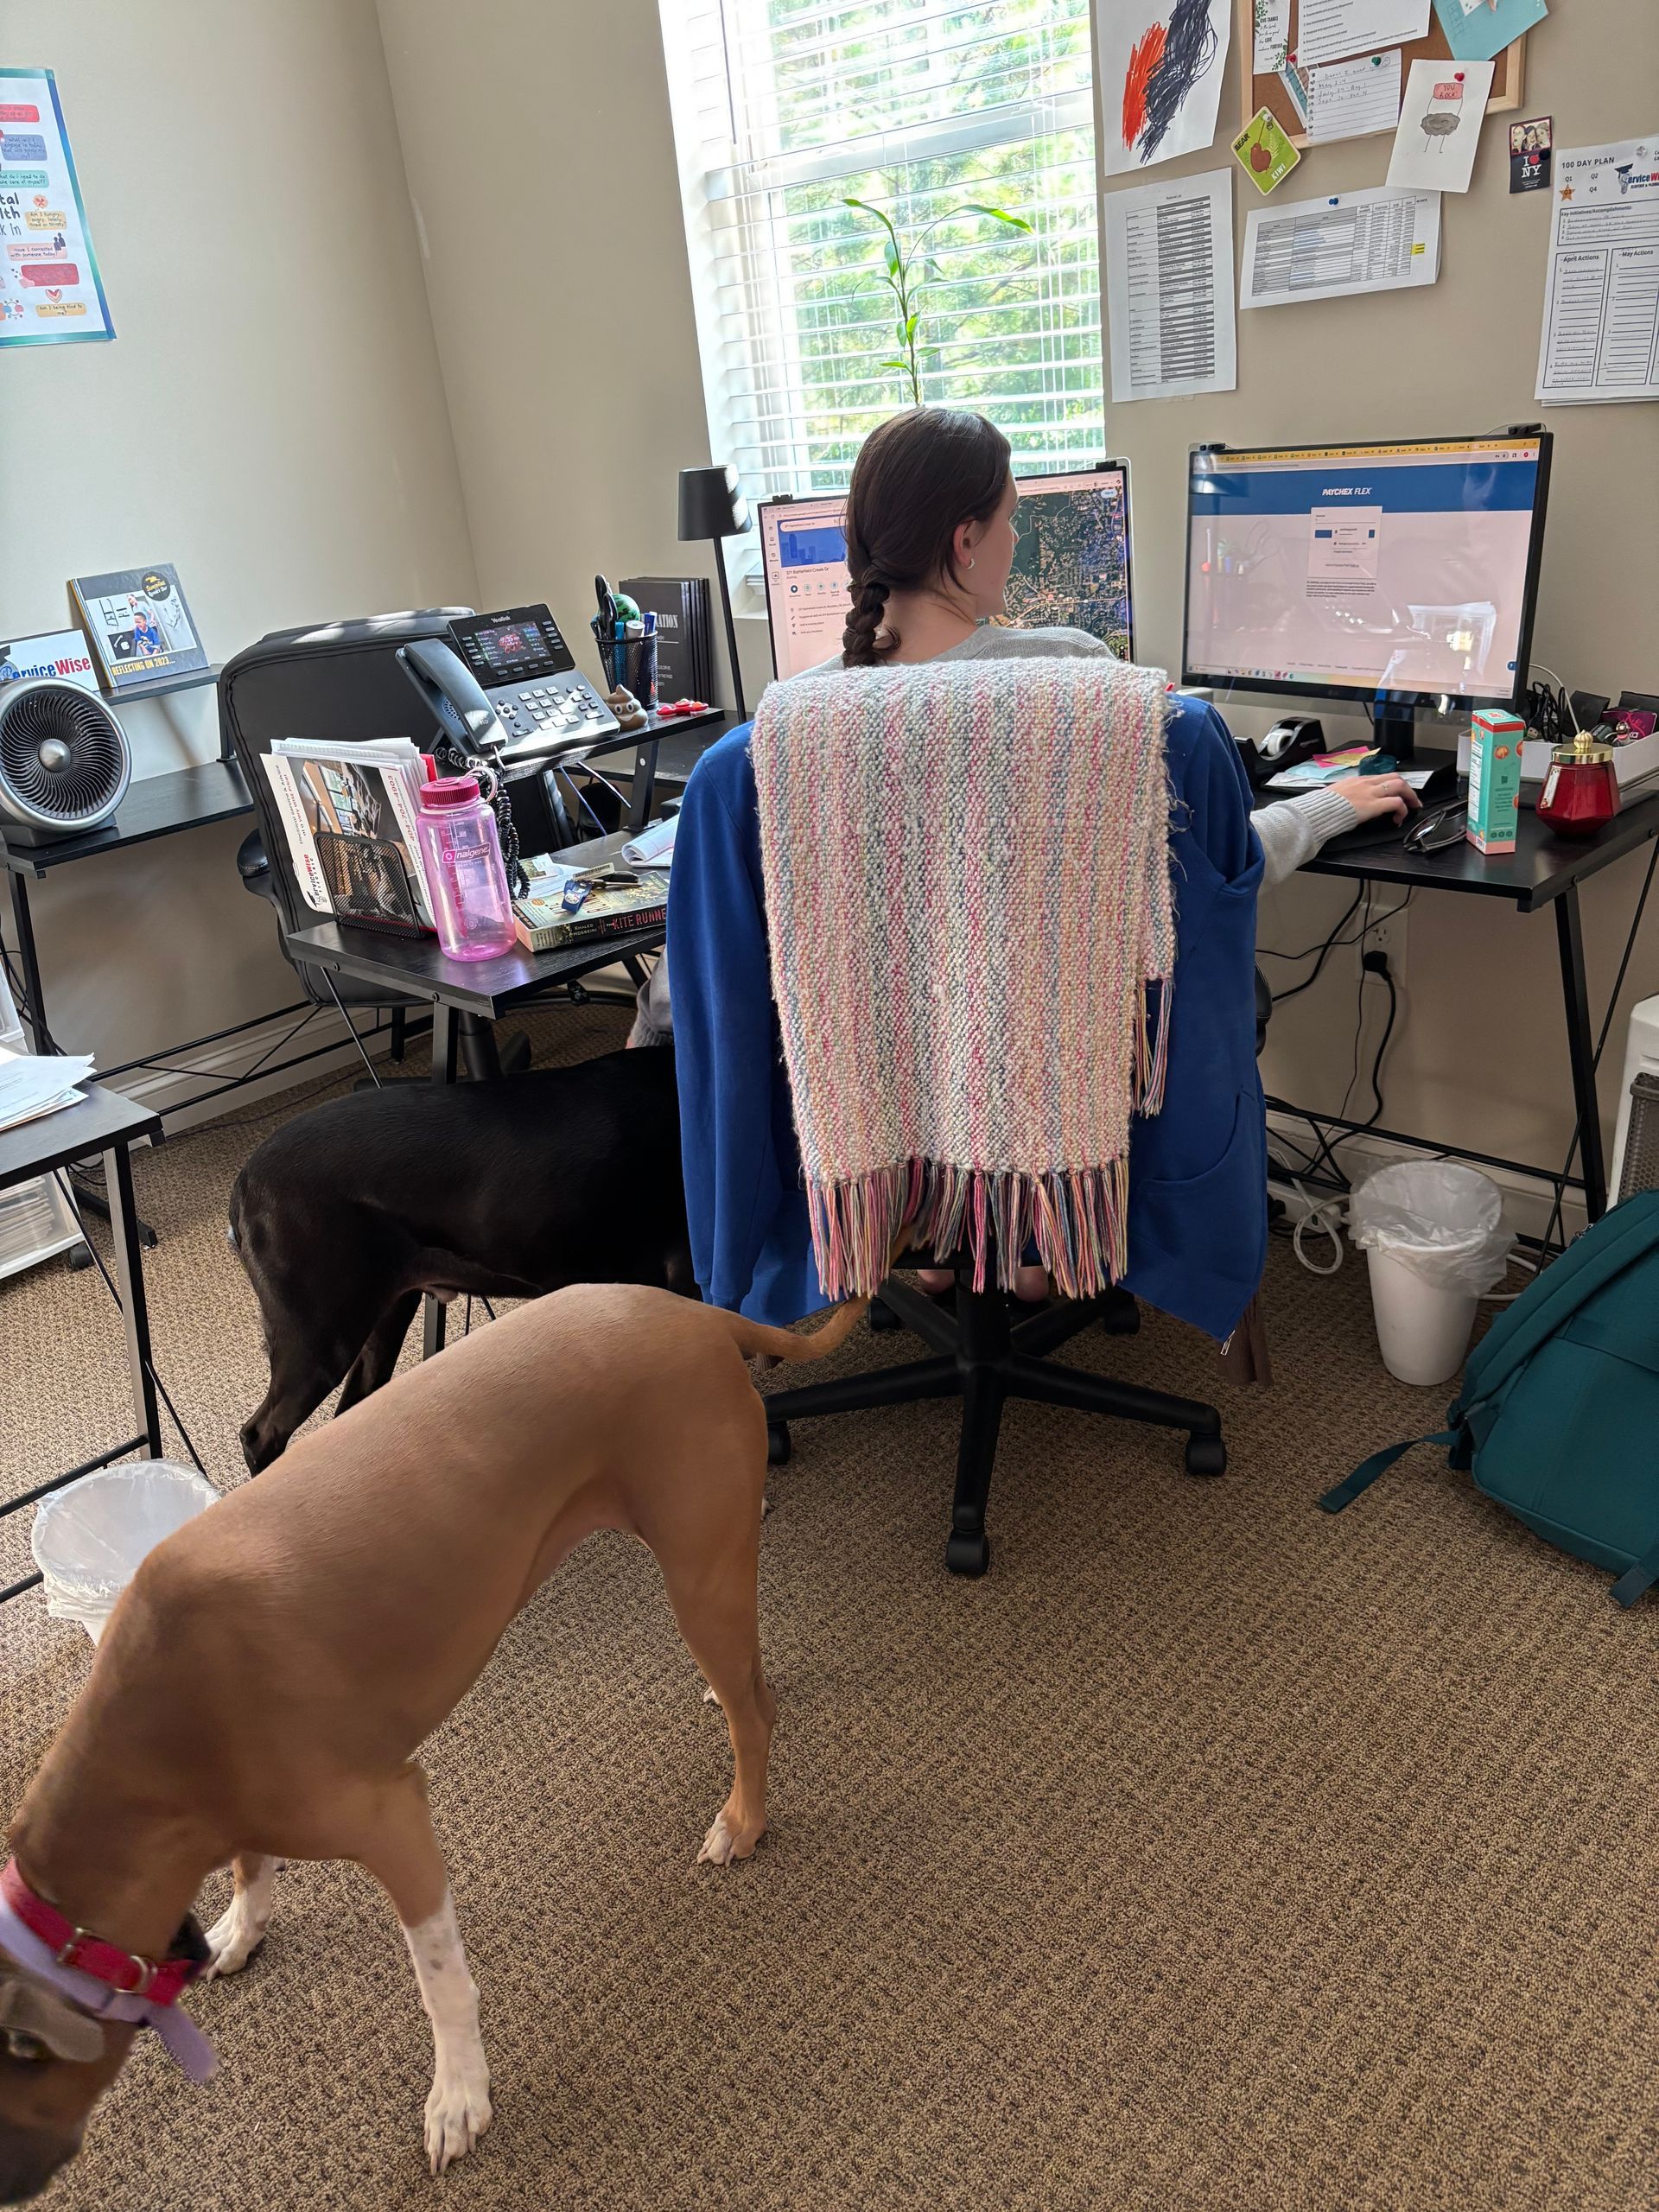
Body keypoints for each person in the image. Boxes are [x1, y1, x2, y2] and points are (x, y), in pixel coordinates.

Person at [643, 408, 1419, 1307]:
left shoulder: (777, 742)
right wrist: (1331, 805)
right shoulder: (1090, 692)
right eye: (1011, 522)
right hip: (1053, 1067)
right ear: (967, 540)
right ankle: (1033, 1230)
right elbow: (1210, 871)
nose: (1015, 542)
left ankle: (925, 1219)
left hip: (862, 1096)